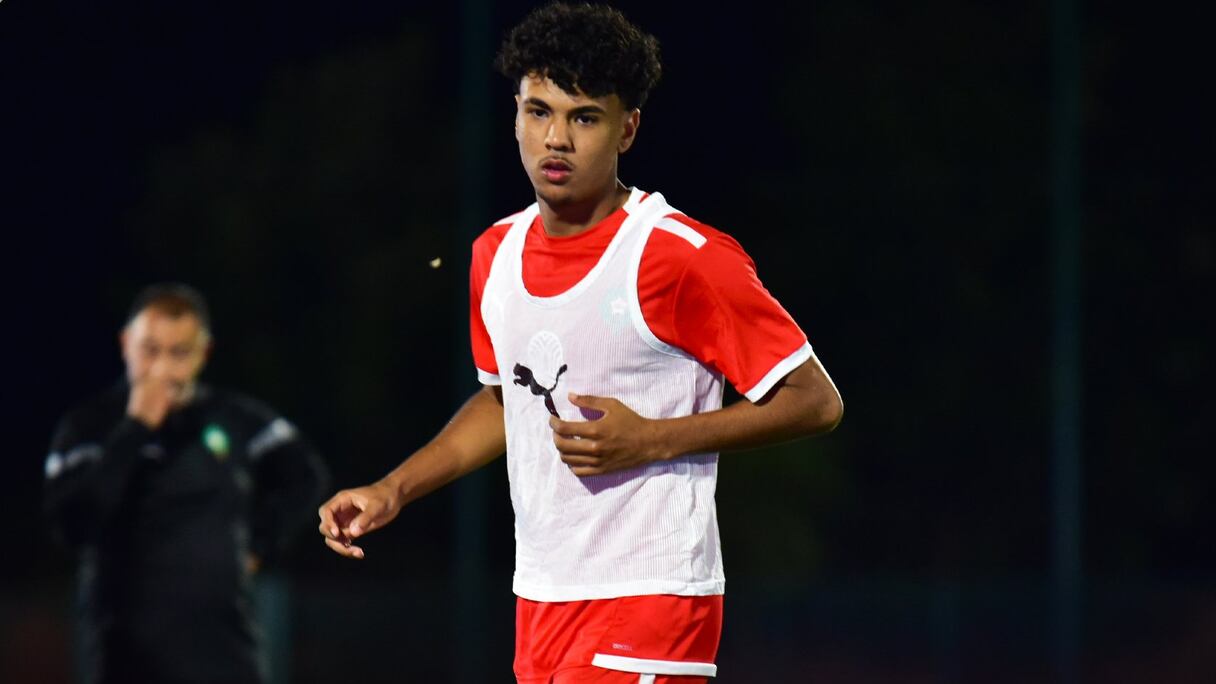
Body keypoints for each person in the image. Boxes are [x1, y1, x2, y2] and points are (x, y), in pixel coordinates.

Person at [318, 3, 843, 682]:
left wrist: (651, 439)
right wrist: (394, 489)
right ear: (514, 115)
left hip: (651, 596)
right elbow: (506, 403)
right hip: (540, 598)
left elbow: (814, 400)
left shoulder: (679, 256)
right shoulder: (494, 254)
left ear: (628, 128)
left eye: (584, 117)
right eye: (539, 111)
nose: (556, 138)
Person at [44, 283, 330, 684]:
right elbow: (71, 524)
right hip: (124, 658)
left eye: (179, 353)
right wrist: (136, 429)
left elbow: (306, 476)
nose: (162, 369)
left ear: (203, 353)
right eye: (150, 350)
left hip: (224, 654)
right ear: (126, 344)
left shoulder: (233, 417)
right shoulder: (88, 427)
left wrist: (259, 543)